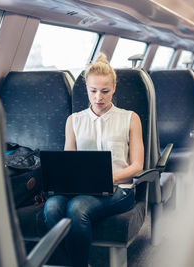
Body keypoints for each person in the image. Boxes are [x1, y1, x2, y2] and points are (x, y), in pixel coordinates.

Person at [43, 53, 144, 267]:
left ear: (114, 88)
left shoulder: (130, 118)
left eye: (105, 91)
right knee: (52, 208)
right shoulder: (74, 121)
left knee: (77, 208)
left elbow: (137, 165)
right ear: (86, 89)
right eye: (93, 91)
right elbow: (68, 160)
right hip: (80, 187)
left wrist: (107, 178)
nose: (99, 97)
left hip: (119, 188)